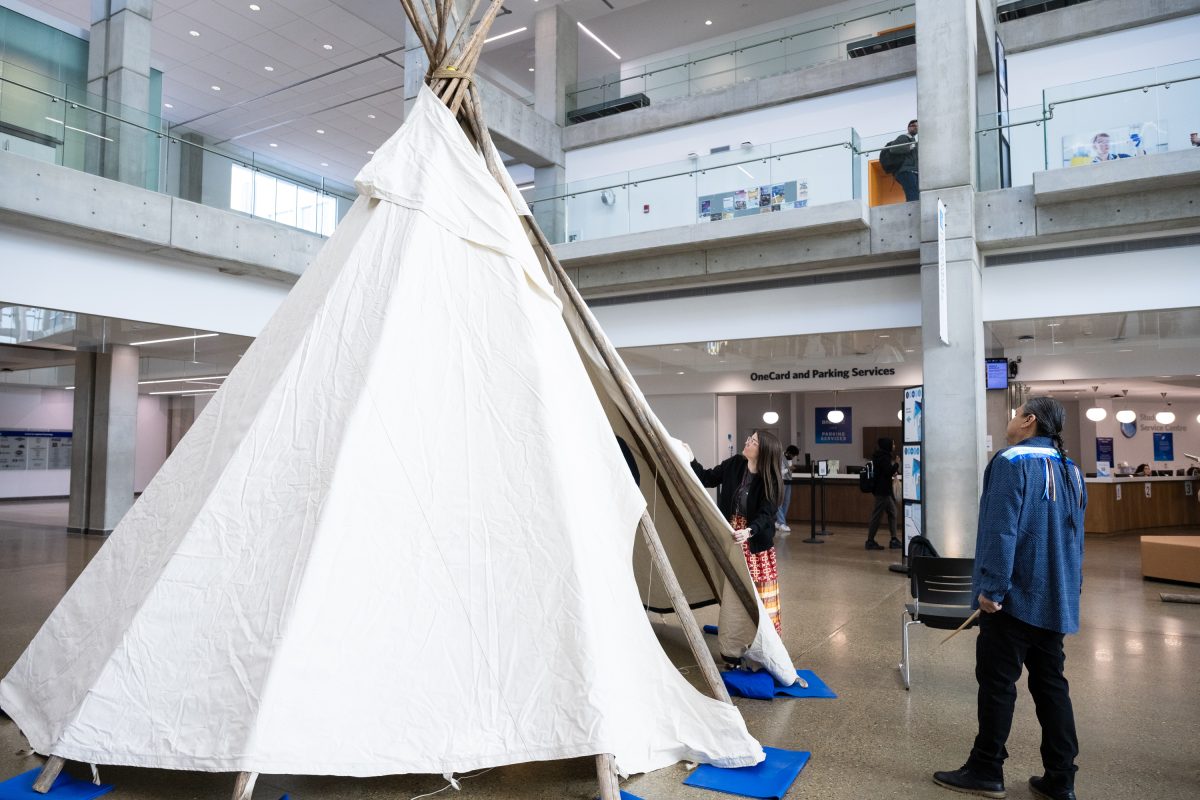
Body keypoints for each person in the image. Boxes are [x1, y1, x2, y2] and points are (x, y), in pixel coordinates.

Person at [933, 397, 1087, 800]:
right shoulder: (1070, 468)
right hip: (1055, 598)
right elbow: (1075, 538)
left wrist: (992, 589)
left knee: (998, 684)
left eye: (1016, 413)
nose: (1011, 420)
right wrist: (1071, 590)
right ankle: (1061, 779)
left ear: (1029, 420)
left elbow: (1001, 530)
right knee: (1052, 686)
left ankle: (986, 769)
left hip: (1013, 598)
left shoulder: (1011, 461)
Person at [687, 430, 785, 635]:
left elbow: (767, 514)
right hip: (730, 535)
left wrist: (749, 531)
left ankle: (762, 634)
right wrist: (690, 459)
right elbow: (707, 478)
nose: (747, 442)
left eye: (753, 441)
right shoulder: (735, 464)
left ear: (764, 450)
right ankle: (734, 629)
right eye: (750, 439)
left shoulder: (771, 479)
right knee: (731, 585)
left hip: (754, 539)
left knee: (756, 587)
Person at [864, 437, 900, 550]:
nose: (894, 446)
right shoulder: (884, 457)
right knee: (877, 516)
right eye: (892, 444)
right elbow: (888, 471)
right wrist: (897, 464)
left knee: (893, 512)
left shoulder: (880, 456)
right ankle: (870, 541)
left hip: (883, 491)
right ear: (887, 445)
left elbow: (885, 472)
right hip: (883, 491)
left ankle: (894, 539)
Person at [891, 119, 919, 201]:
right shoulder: (903, 137)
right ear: (908, 127)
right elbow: (893, 149)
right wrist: (910, 147)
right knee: (912, 194)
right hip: (906, 171)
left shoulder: (913, 140)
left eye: (917, 126)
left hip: (913, 171)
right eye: (913, 126)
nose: (916, 127)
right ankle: (912, 209)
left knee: (915, 194)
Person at [776, 445, 800, 533]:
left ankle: (778, 522)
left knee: (786, 501)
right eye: (793, 455)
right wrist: (788, 469)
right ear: (788, 452)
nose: (793, 457)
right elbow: (778, 472)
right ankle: (782, 523)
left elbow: (788, 470)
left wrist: (789, 469)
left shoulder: (789, 459)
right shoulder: (779, 457)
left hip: (788, 481)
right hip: (781, 482)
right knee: (779, 502)